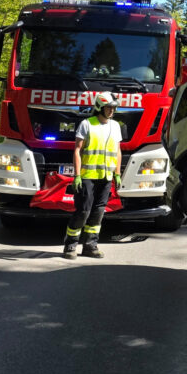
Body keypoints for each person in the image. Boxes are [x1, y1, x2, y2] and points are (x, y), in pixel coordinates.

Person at [63, 91, 123, 259]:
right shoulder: (87, 124)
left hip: (106, 177)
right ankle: (70, 244)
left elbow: (118, 151)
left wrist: (117, 174)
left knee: (99, 212)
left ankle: (90, 245)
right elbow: (77, 150)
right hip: (87, 176)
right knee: (83, 211)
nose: (112, 110)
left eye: (113, 108)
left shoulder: (115, 126)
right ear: (99, 107)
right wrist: (76, 175)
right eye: (109, 107)